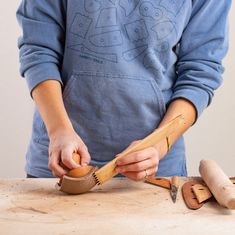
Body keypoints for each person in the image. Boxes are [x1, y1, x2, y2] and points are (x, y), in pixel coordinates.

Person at [16, 0, 231, 179]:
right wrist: (59, 130)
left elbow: (201, 70)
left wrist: (158, 144)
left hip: (155, 171)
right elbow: (39, 49)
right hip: (61, 164)